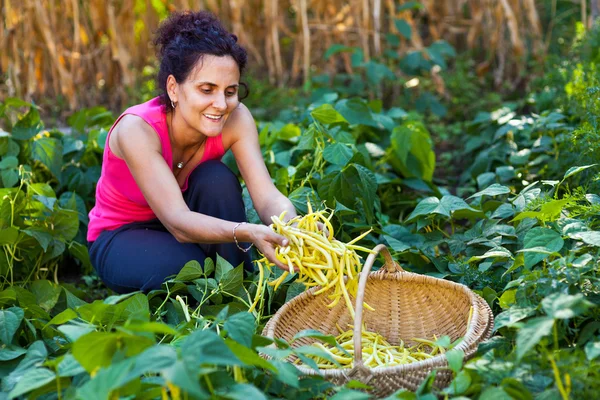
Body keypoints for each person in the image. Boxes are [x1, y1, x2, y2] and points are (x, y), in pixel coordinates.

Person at [87, 10, 296, 294]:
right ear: (174, 88)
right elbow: (178, 222)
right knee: (195, 271)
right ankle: (227, 290)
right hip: (123, 235)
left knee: (215, 179)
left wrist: (295, 228)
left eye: (230, 91)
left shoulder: (236, 118)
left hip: (189, 218)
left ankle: (241, 293)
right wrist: (245, 232)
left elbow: (267, 196)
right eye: (206, 89)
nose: (221, 104)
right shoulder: (137, 130)